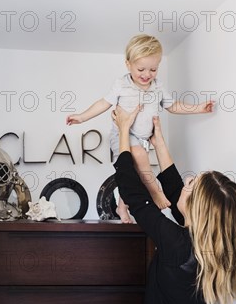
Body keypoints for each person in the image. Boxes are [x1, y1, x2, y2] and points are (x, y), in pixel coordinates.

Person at [112, 106, 236, 304]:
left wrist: (123, 132)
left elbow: (136, 197)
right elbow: (177, 195)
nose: (186, 184)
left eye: (192, 184)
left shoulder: (177, 243)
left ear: (196, 207)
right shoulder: (215, 247)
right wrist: (158, 142)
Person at [66, 34, 214, 223]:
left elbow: (173, 106)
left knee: (132, 175)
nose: (147, 74)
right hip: (122, 135)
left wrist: (198, 108)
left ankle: (121, 206)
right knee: (140, 157)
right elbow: (103, 103)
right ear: (128, 64)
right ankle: (155, 191)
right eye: (141, 69)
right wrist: (81, 117)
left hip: (143, 141)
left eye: (153, 69)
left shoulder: (157, 86)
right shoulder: (121, 84)